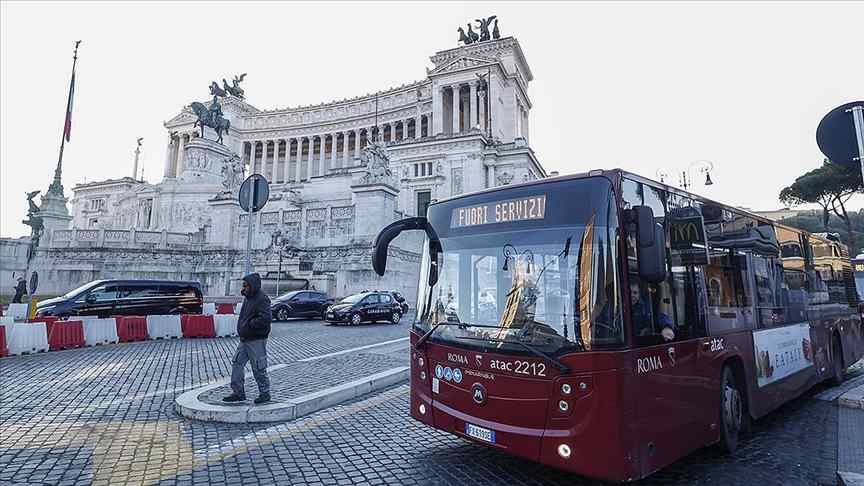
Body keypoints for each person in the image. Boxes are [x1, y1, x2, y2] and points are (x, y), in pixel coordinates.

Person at [223, 273, 272, 404]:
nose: (243, 288)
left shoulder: (262, 299)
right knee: (237, 362)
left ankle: (264, 393)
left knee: (258, 367)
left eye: (246, 285)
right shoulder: (248, 297)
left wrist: (250, 325)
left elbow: (266, 318)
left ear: (253, 286)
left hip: (256, 339)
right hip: (245, 338)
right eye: (243, 285)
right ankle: (238, 392)